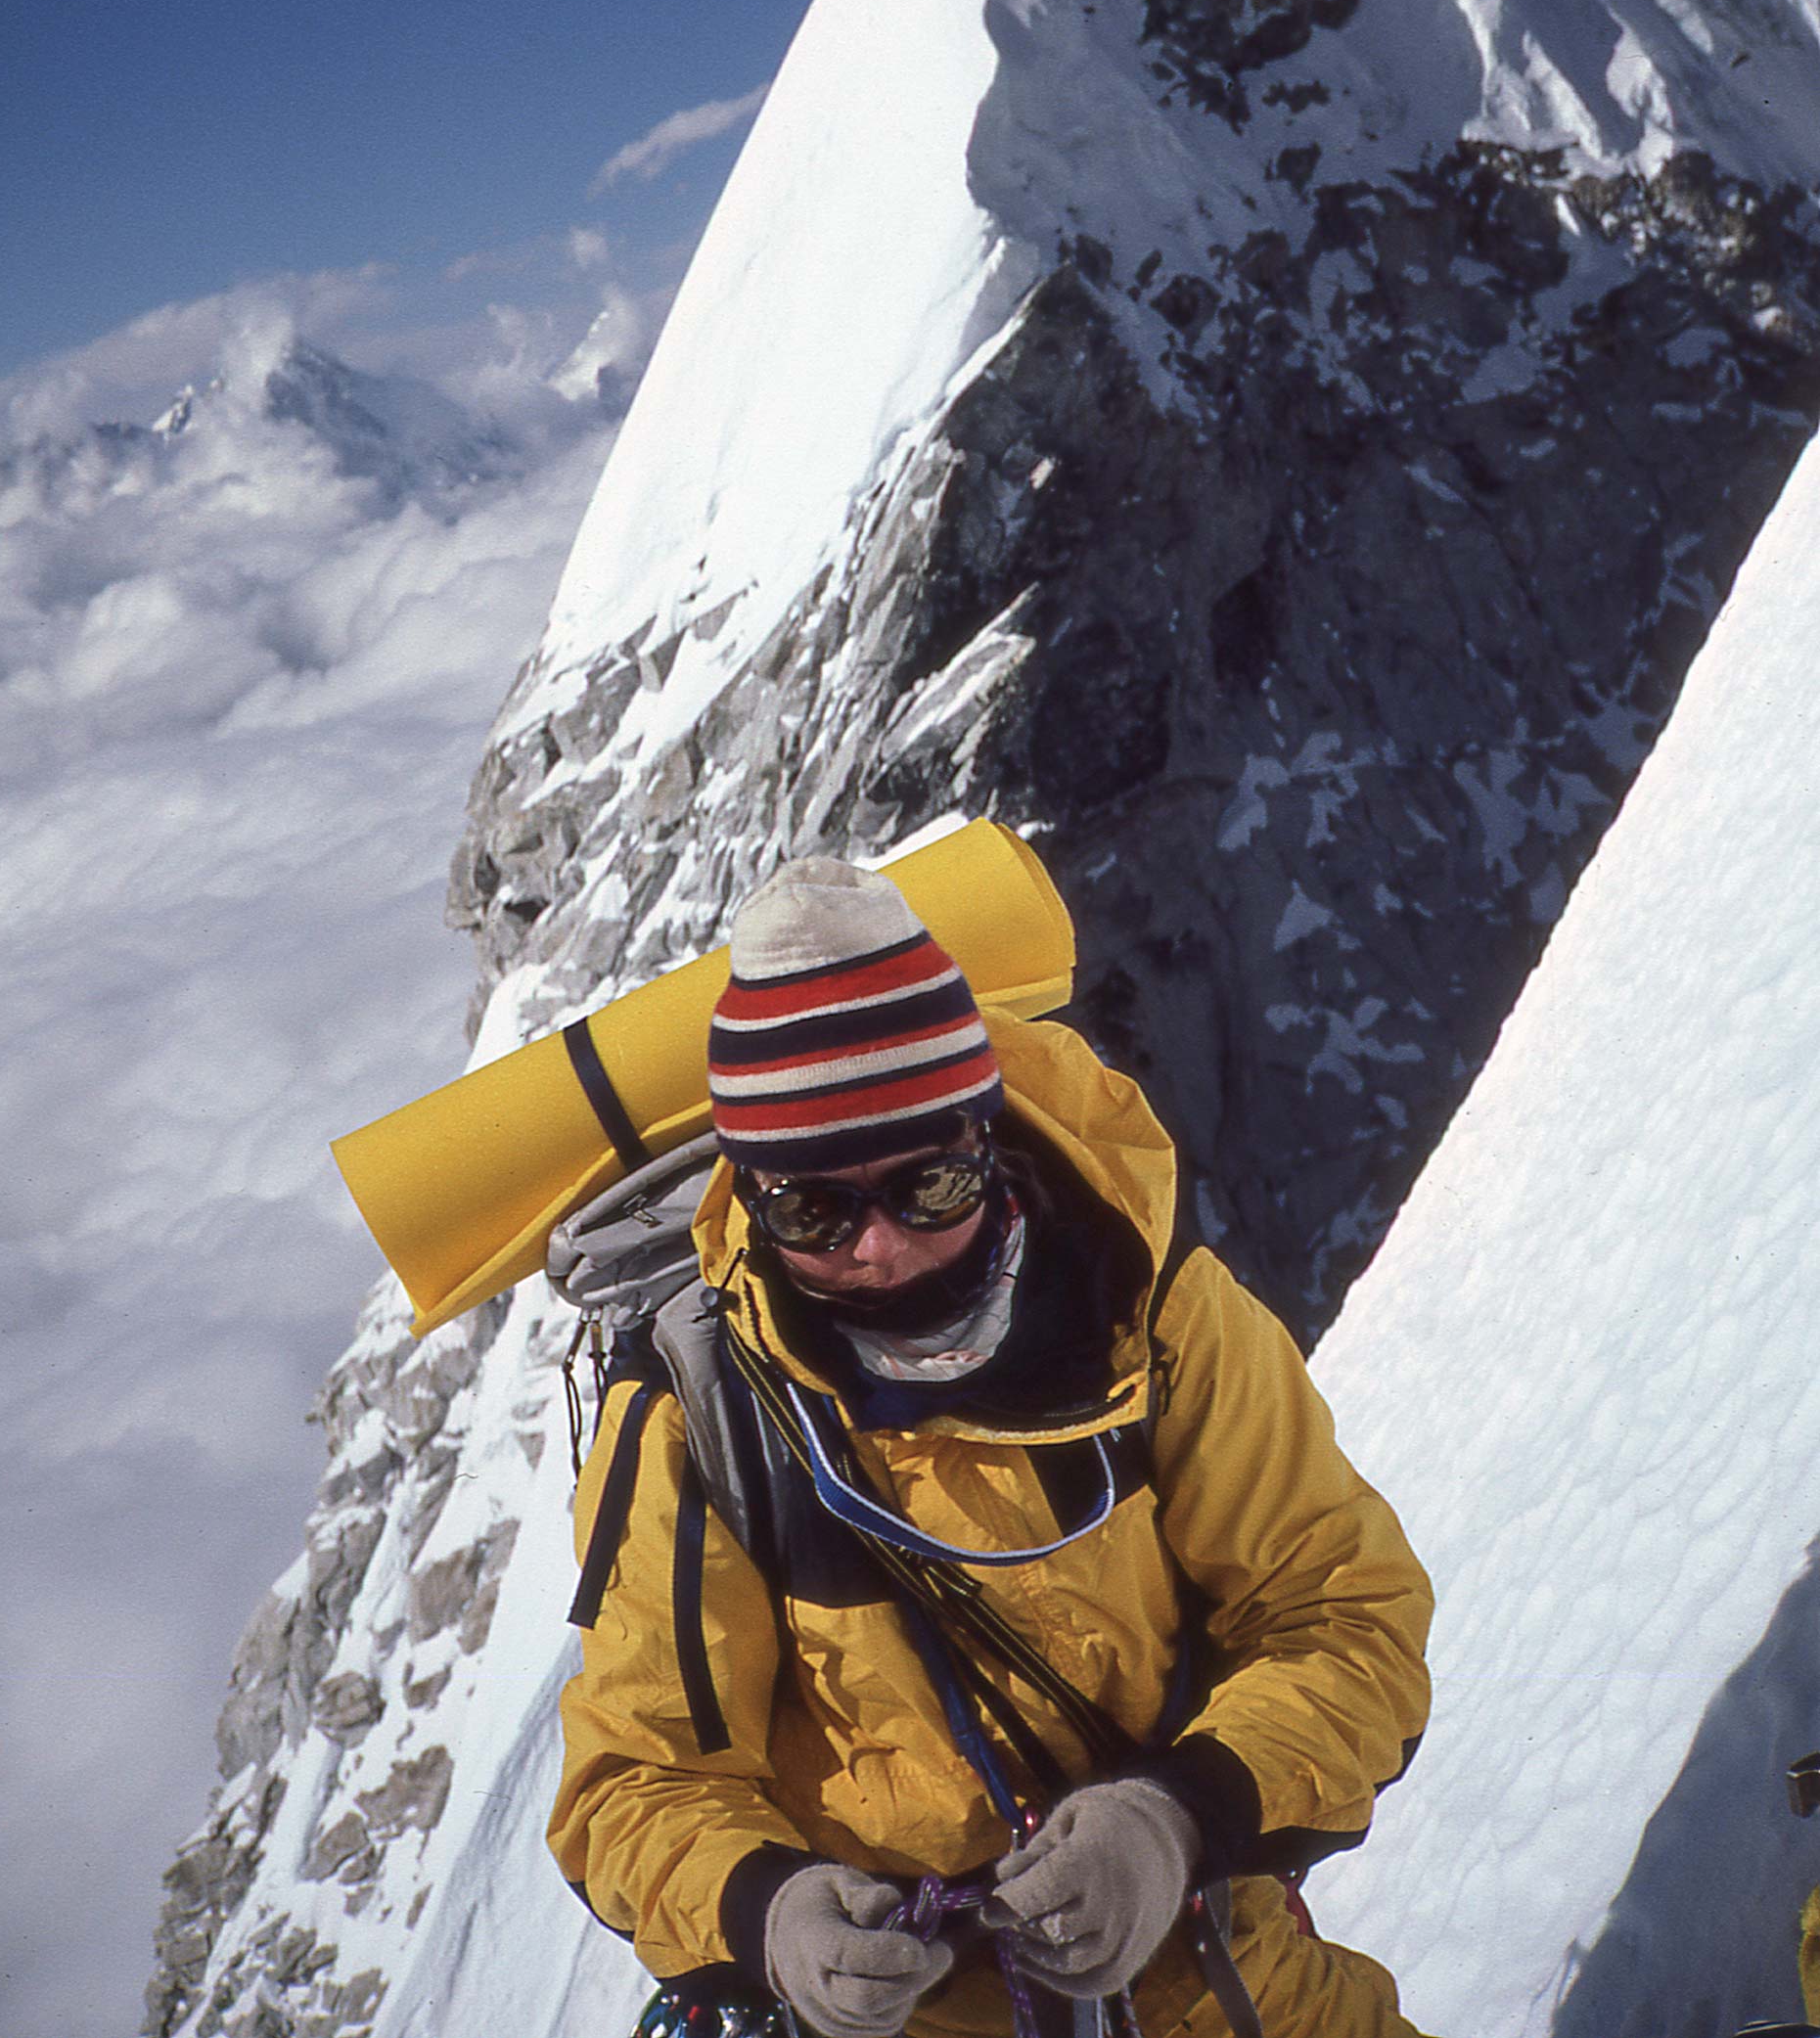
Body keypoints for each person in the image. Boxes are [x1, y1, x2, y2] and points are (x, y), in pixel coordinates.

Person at [548, 857, 1434, 2038]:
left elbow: (1343, 1621)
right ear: (752, 1199)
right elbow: (634, 1778)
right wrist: (776, 1915)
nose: (877, 1250)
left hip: (1228, 1981)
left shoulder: (1156, 1316)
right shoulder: (703, 1415)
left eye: (929, 1184)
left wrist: (1172, 1821)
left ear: (988, 1142)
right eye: (812, 1212)